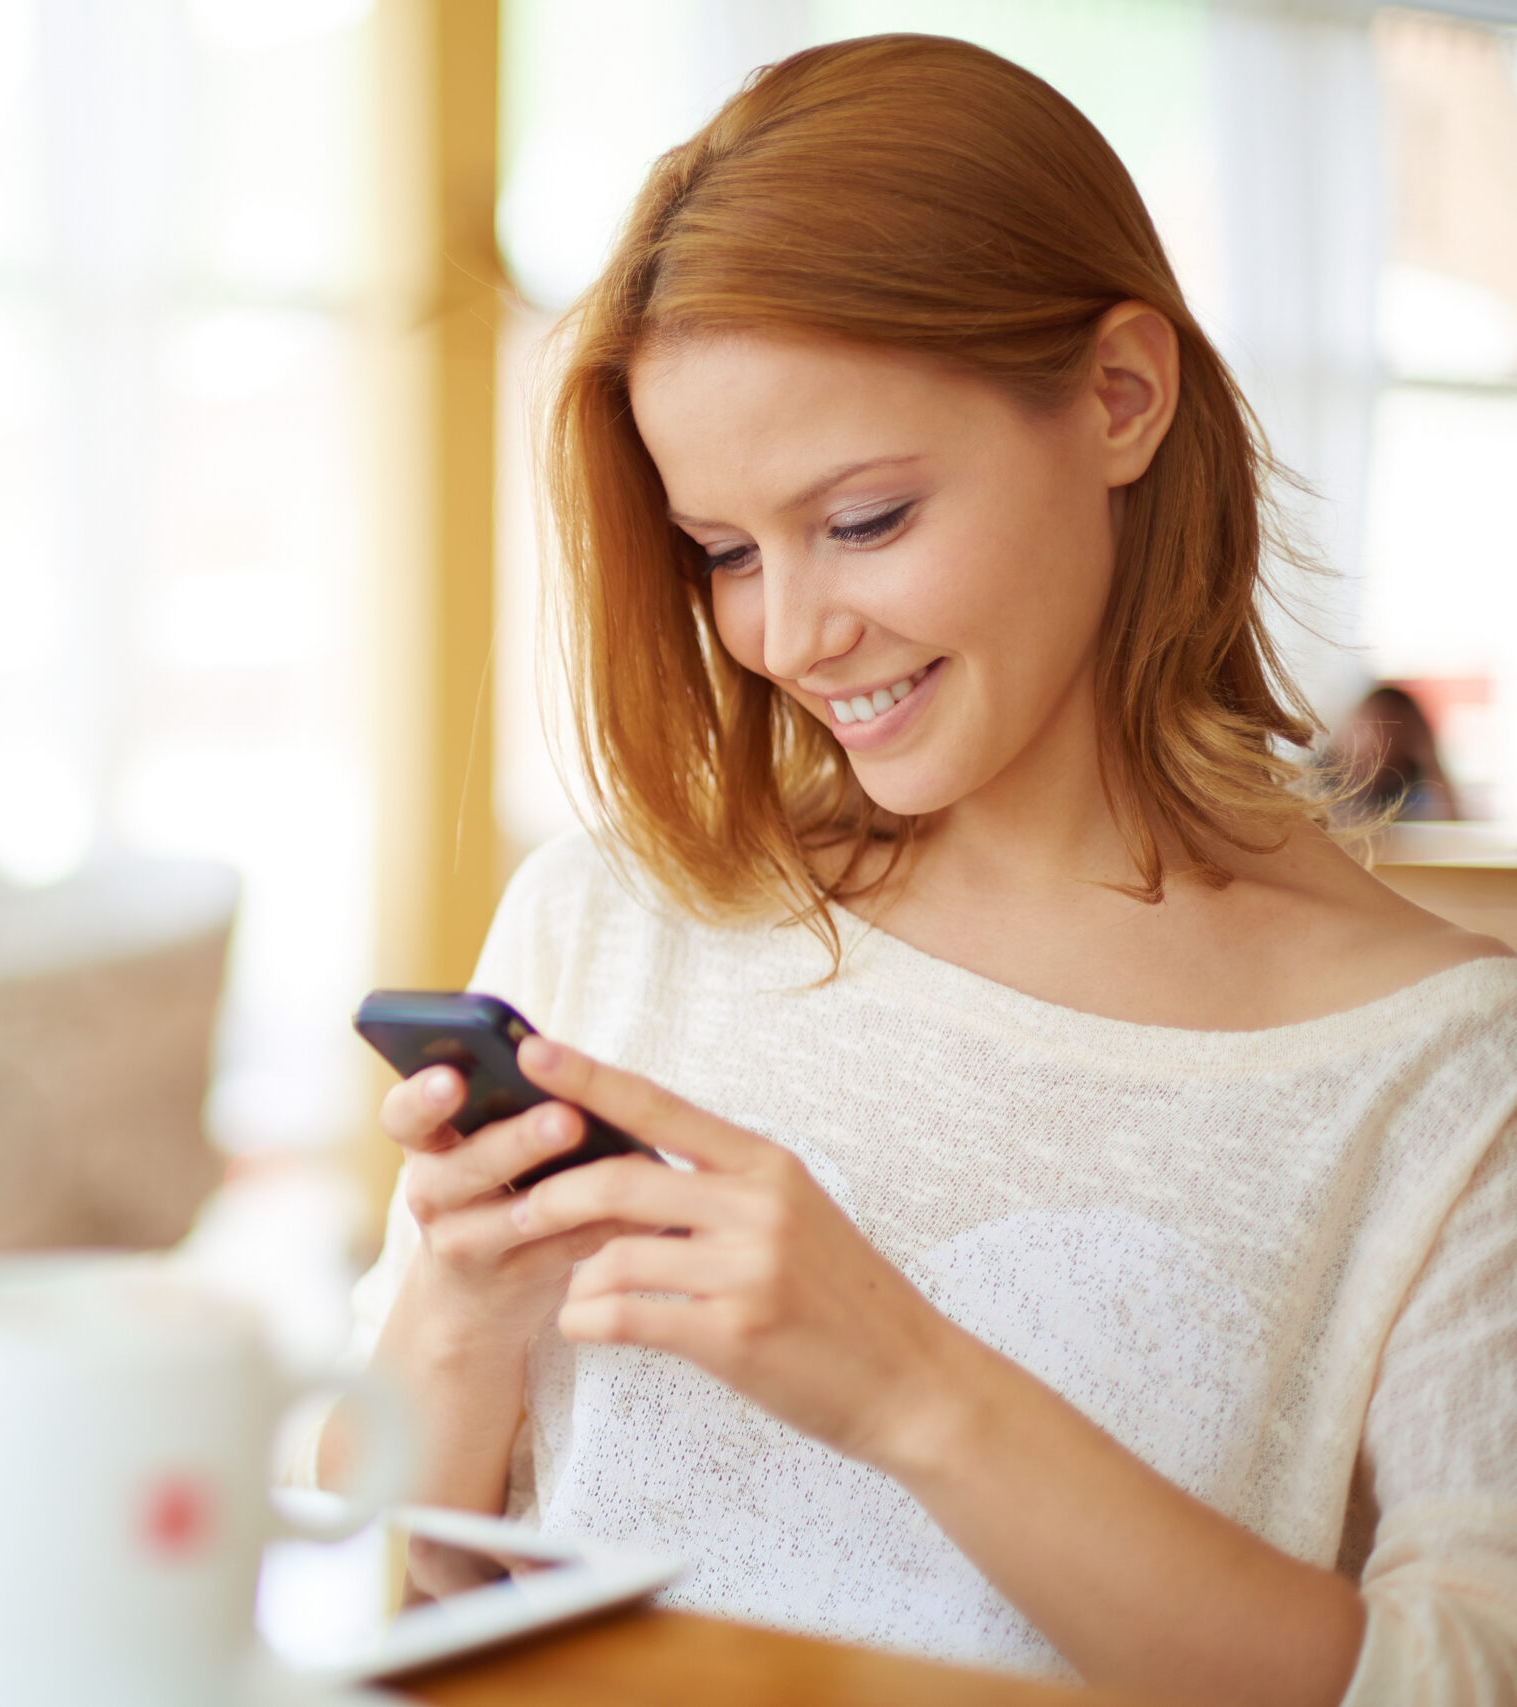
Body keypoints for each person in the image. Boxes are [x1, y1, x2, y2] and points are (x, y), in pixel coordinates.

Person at [330, 35, 1517, 1707]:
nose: (795, 635)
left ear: (1122, 396)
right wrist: (457, 1319)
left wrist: (907, 1386)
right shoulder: (615, 925)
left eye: (869, 518)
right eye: (728, 554)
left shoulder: (1446, 1074)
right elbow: (359, 1597)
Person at [1333, 684, 1466, 824]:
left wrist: (1430, 761)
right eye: (1377, 729)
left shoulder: (1414, 784)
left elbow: (1452, 824)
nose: (1386, 742)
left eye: (1397, 732)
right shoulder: (1327, 777)